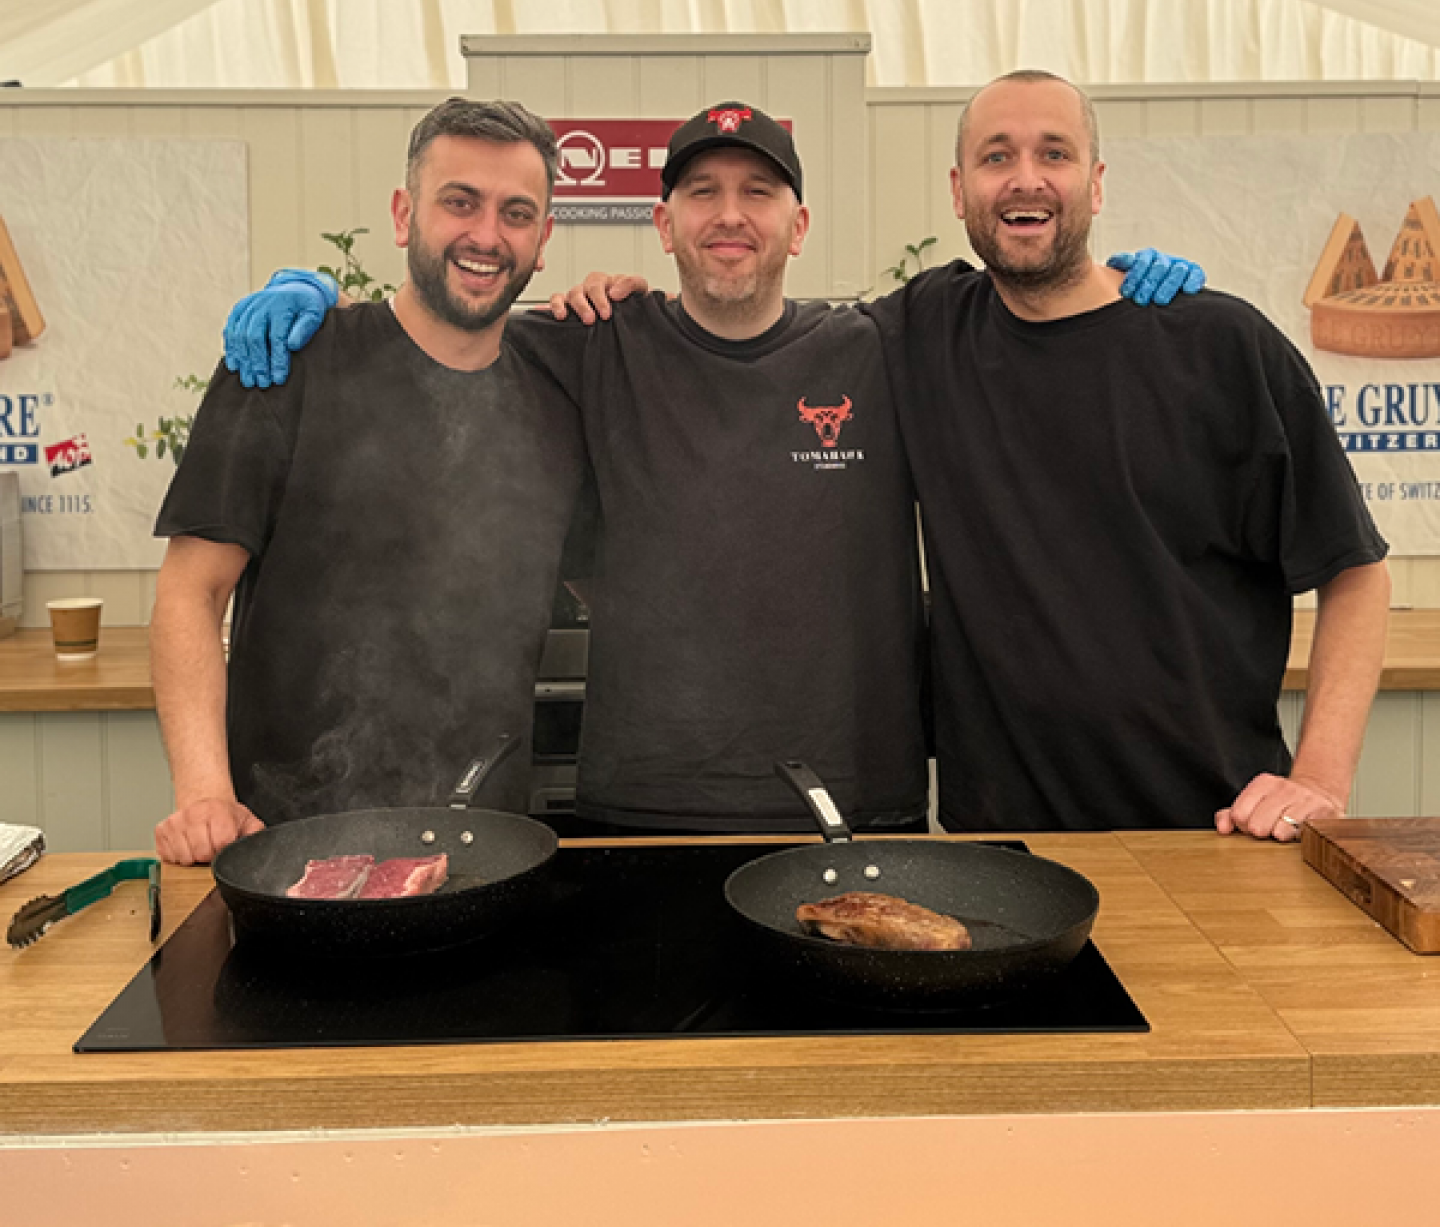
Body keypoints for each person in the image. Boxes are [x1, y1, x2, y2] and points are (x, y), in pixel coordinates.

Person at [225, 102, 1201, 836]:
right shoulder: (594, 344)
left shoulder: (887, 343)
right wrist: (311, 295)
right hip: (638, 817)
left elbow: (1034, 301)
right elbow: (451, 318)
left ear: (800, 224)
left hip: (857, 816)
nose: (729, 216)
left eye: (757, 192)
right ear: (662, 223)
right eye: (702, 192)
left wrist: (1120, 284)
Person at [866, 70, 1391, 839]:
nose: (1026, 179)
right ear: (958, 188)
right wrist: (623, 309)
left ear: (1097, 183)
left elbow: (1355, 572)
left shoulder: (1221, 347)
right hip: (1004, 855)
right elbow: (760, 335)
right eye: (996, 156)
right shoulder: (920, 334)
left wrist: (1317, 778)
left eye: (1055, 153)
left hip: (1213, 835)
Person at [151, 98, 587, 864]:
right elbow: (192, 590)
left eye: (516, 213)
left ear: (543, 239)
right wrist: (204, 794)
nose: (487, 235)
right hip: (287, 842)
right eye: (460, 203)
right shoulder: (284, 365)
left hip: (485, 844)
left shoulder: (560, 397)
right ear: (402, 213)